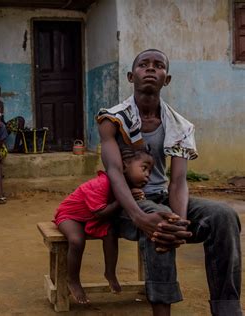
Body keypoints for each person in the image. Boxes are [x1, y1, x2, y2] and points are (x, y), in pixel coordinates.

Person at [97, 49, 241, 316]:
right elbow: (115, 172)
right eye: (143, 64)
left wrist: (181, 222)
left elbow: (177, 182)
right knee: (159, 219)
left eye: (158, 65)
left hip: (160, 199)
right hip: (123, 204)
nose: (151, 69)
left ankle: (227, 309)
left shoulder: (179, 125)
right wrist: (139, 216)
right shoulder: (113, 119)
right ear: (131, 76)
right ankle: (162, 312)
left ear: (168, 78)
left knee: (224, 216)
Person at [54, 147, 154, 304]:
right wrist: (124, 199)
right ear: (125, 165)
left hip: (93, 217)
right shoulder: (102, 183)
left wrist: (132, 197)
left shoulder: (125, 187)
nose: (148, 175)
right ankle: (73, 280)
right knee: (76, 240)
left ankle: (110, 272)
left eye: (150, 171)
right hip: (71, 215)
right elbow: (100, 213)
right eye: (144, 168)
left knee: (111, 233)